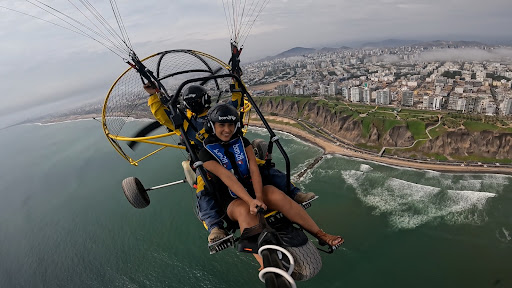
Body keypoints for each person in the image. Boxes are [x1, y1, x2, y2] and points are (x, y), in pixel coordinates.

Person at [143, 83, 316, 243]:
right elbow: (237, 100)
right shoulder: (209, 116)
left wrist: (153, 97)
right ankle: (294, 194)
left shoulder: (190, 122)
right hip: (209, 160)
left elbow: (162, 116)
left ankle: (216, 227)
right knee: (213, 186)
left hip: (234, 153)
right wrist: (236, 80)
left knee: (210, 189)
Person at [199, 104, 343, 257]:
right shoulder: (205, 153)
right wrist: (250, 201)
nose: (227, 130)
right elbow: (227, 178)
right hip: (230, 198)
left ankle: (320, 234)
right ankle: (265, 266)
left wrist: (259, 198)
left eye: (231, 125)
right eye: (221, 125)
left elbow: (254, 169)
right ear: (212, 126)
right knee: (245, 212)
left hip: (252, 188)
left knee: (275, 193)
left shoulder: (243, 142)